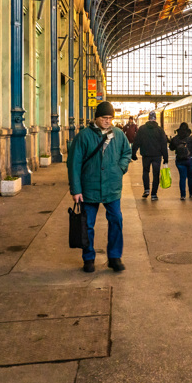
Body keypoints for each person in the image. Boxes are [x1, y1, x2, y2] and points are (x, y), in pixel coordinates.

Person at [67, 101, 133, 272]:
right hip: (89, 188)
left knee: (116, 220)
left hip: (112, 187)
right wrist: (76, 190)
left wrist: (121, 167)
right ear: (96, 117)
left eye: (110, 118)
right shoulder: (83, 136)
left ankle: (114, 257)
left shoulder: (118, 134)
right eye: (104, 117)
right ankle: (88, 258)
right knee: (87, 225)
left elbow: (127, 152)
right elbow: (73, 164)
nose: (107, 121)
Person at [131, 111, 168, 200]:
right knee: (156, 174)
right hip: (157, 156)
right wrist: (165, 158)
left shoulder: (142, 129)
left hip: (146, 155)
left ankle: (146, 189)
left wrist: (133, 153)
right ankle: (154, 194)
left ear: (148, 118)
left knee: (145, 172)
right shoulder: (160, 130)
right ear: (155, 119)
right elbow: (164, 144)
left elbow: (136, 142)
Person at [169, 122, 192, 200]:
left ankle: (182, 195)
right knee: (190, 176)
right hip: (191, 160)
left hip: (180, 160)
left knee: (182, 177)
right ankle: (191, 193)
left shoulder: (176, 138)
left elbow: (171, 148)